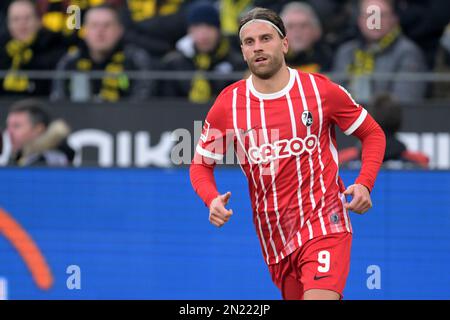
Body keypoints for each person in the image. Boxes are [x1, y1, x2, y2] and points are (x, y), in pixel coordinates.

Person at [189, 7, 386, 300]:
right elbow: (201, 166)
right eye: (249, 42)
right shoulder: (229, 104)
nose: (258, 47)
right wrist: (211, 199)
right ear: (243, 52)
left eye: (266, 38)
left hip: (325, 222)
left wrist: (365, 182)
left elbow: (372, 133)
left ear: (284, 44)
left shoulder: (320, 91)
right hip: (275, 235)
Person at [51, 4, 153, 102]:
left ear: (120, 30)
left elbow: (142, 105)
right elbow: (59, 102)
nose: (100, 32)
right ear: (84, 31)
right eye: (94, 25)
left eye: (107, 25)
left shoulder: (135, 60)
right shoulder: (70, 61)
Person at [332, 0, 427, 104]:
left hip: (387, 119)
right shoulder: (345, 52)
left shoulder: (408, 53)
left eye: (381, 15)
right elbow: (334, 99)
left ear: (394, 19)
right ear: (360, 20)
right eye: (369, 15)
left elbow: (405, 104)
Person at [158, 1, 247, 103]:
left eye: (209, 27)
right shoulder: (174, 64)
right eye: (197, 28)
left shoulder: (237, 62)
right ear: (189, 30)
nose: (203, 35)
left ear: (218, 29)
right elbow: (166, 106)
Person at [0, 0, 67, 97]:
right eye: (16, 19)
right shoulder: (2, 51)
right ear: (8, 24)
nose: (22, 24)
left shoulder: (54, 48)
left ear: (38, 21)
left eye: (27, 18)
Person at [6, 99, 75, 167]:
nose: (9, 132)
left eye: (16, 126)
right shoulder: (20, 157)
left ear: (38, 129)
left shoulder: (51, 162)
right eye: (8, 126)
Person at [280, 2, 333, 73]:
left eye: (303, 26)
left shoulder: (330, 57)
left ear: (316, 31)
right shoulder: (273, 60)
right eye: (290, 26)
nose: (297, 32)